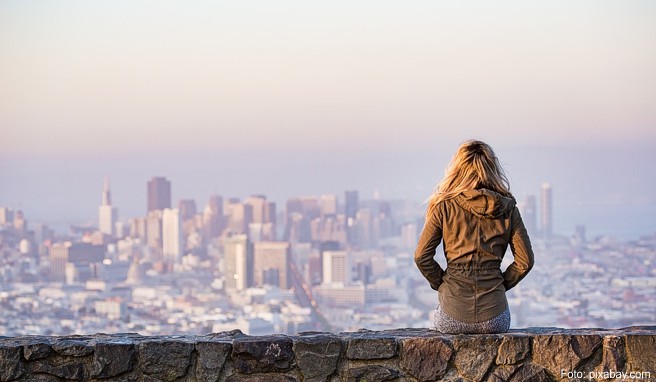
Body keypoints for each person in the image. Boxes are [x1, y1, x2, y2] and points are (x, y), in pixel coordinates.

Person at [414, 140, 534, 334]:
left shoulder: (444, 206)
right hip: (496, 317)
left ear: (457, 169)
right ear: (493, 169)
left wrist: (443, 283)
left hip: (452, 314)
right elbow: (525, 262)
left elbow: (421, 256)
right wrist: (500, 285)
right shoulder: (508, 209)